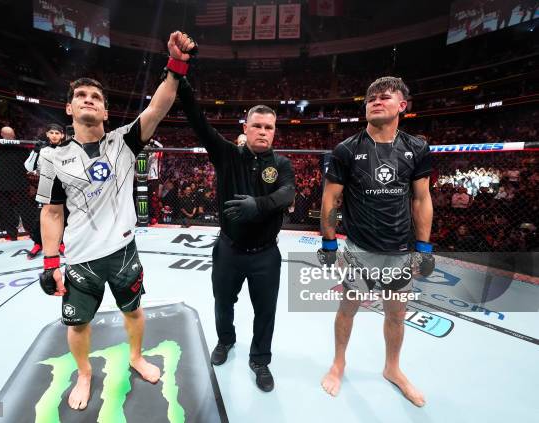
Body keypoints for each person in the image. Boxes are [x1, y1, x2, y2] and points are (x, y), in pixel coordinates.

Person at [36, 31, 195, 411]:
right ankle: (85, 373)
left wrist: (175, 67)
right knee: (76, 325)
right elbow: (52, 212)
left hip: (123, 252)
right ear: (70, 109)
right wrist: (49, 261)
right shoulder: (51, 159)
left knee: (135, 311)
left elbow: (157, 108)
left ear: (106, 112)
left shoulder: (124, 142)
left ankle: (137, 356)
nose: (88, 100)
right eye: (80, 97)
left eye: (96, 98)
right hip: (79, 259)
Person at [177, 39, 295, 392]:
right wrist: (180, 75)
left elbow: (288, 193)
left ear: (275, 131)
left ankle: (260, 360)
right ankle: (225, 340)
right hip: (228, 250)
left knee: (265, 313)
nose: (263, 131)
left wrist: (257, 206)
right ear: (245, 128)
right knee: (222, 302)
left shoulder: (283, 164)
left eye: (269, 127)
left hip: (265, 255)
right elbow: (197, 120)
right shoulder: (227, 155)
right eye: (257, 125)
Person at [318, 77, 434, 407]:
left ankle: (392, 369)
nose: (375, 102)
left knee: (397, 314)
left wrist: (424, 247)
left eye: (384, 97)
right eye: (370, 98)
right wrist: (328, 243)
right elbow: (330, 200)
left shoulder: (416, 148)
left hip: (400, 251)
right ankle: (339, 363)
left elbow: (421, 199)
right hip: (358, 250)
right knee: (348, 309)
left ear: (402, 106)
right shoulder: (346, 149)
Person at [0, 126, 36, 241]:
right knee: (23, 208)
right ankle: (31, 232)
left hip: (4, 183)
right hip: (18, 182)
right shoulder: (21, 147)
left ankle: (12, 234)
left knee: (8, 209)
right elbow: (29, 166)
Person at [24, 123, 66, 259]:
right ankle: (38, 244)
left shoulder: (67, 149)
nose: (54, 135)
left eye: (57, 133)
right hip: (45, 189)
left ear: (62, 135)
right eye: (52, 133)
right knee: (40, 219)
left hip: (64, 188)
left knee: (64, 217)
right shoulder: (41, 149)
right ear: (47, 134)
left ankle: (61, 243)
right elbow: (28, 167)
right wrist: (35, 151)